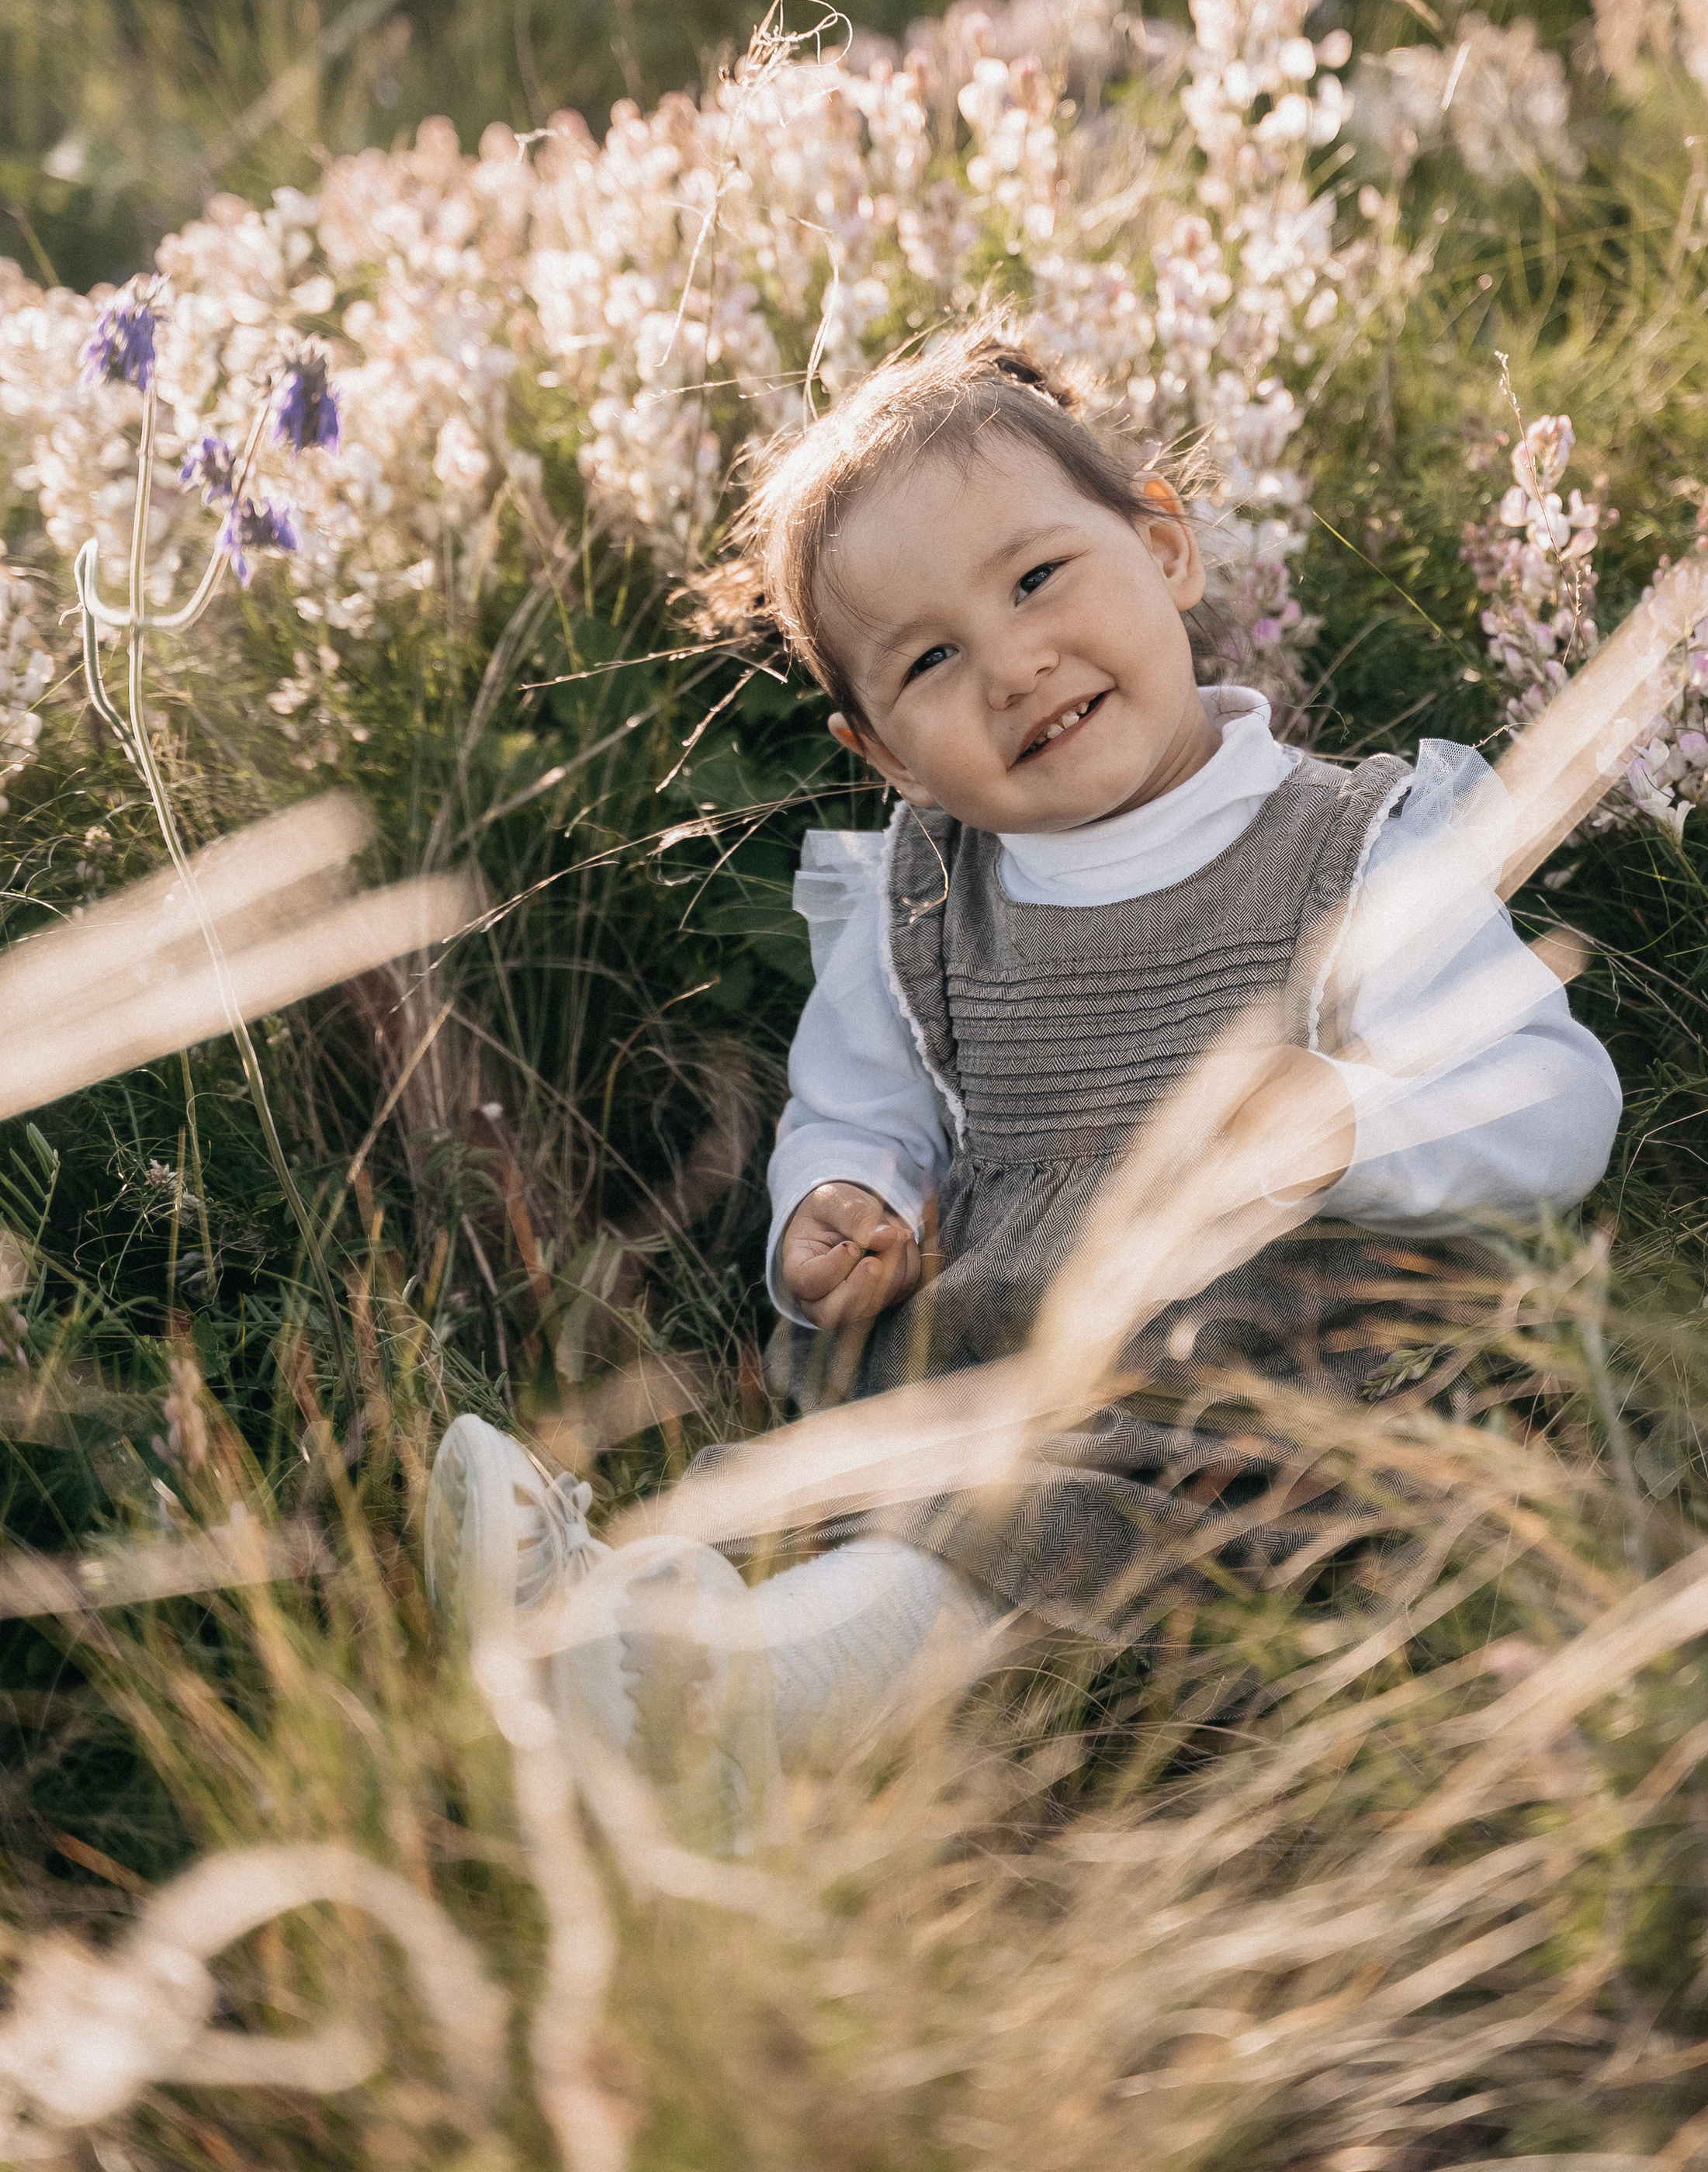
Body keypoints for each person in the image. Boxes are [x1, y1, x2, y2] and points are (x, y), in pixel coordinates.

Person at [428, 322, 1620, 1841]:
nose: (1011, 663)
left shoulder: (1352, 854)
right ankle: (635, 1644)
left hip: (1239, 1417)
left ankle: (720, 1691)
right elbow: (855, 1109)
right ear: (882, 750)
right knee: (844, 1488)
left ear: (1165, 544)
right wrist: (838, 1208)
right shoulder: (923, 901)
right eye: (930, 660)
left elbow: (1553, 1099)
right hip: (980, 1378)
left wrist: (1351, 1125)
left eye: (1037, 577)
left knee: (1020, 1528)